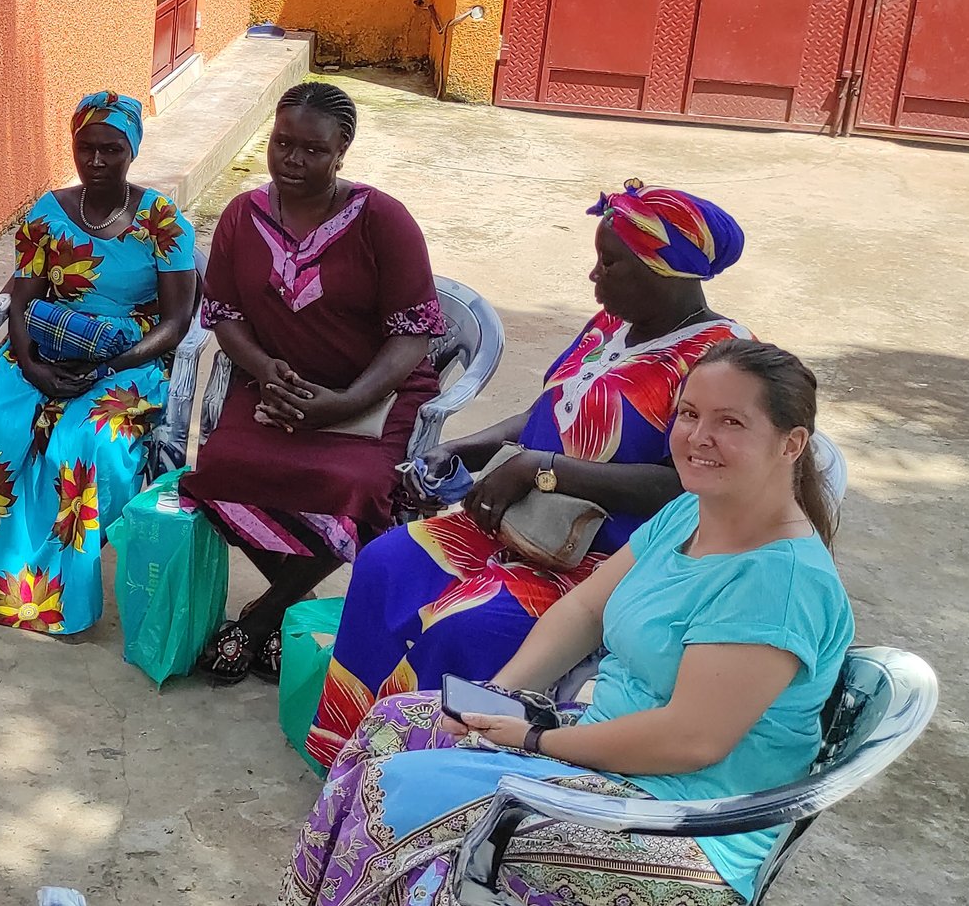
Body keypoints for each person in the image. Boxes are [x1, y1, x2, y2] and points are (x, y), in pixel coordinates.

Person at [285, 339, 850, 906]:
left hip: (682, 818)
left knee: (399, 800)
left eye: (731, 422)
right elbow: (585, 608)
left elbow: (691, 739)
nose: (699, 437)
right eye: (689, 414)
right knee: (392, 725)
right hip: (605, 748)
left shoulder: (779, 582)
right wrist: (496, 695)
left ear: (790, 444)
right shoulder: (690, 511)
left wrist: (539, 738)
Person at [307, 182, 749, 765]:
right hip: (519, 519)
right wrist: (470, 446)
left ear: (663, 269)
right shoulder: (610, 326)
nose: (595, 275)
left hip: (598, 557)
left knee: (464, 628)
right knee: (385, 564)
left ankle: (426, 769)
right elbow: (550, 411)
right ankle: (351, 747)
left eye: (610, 262)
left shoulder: (719, 361)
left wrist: (543, 470)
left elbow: (687, 484)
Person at [179, 82, 443, 683]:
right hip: (278, 388)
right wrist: (263, 368)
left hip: (374, 394)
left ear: (342, 150)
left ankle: (260, 615)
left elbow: (413, 334)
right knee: (219, 472)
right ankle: (290, 611)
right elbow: (225, 316)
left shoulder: (382, 219)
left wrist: (346, 402)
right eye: (282, 144)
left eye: (312, 150)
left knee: (355, 487)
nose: (293, 161)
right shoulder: (242, 217)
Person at [0, 91, 197, 635]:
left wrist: (109, 366)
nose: (97, 161)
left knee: (85, 443)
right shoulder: (48, 213)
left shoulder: (162, 222)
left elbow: (176, 323)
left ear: (133, 150)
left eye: (111, 149)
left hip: (129, 360)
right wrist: (31, 367)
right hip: (44, 347)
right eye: (86, 148)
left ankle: (57, 599)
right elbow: (21, 301)